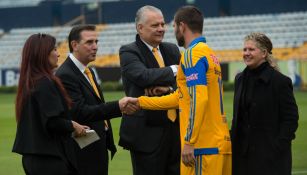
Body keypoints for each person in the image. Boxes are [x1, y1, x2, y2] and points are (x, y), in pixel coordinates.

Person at [136, 5, 232, 175]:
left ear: (182, 26)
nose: (171, 31)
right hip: (220, 145)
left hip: (202, 148)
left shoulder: (191, 55)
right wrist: (140, 102)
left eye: (173, 26)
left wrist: (189, 141)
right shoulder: (210, 54)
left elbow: (198, 99)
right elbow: (182, 97)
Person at [56, 25, 138, 175]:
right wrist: (118, 106)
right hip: (82, 150)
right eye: (89, 42)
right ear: (74, 45)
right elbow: (79, 112)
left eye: (96, 41)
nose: (95, 47)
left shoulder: (88, 71)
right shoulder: (66, 74)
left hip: (95, 145)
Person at [12, 33, 89, 175]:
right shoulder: (45, 82)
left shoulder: (30, 82)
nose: (58, 54)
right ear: (42, 54)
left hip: (33, 157)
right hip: (50, 159)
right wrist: (73, 125)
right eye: (54, 49)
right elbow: (52, 121)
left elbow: (43, 119)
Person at [118, 5, 181, 175]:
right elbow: (143, 76)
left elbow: (185, 83)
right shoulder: (129, 51)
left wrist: (168, 87)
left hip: (176, 132)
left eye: (162, 24)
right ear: (140, 28)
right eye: (155, 25)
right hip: (146, 135)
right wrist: (176, 69)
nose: (161, 29)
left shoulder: (172, 49)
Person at [231, 32, 299, 175]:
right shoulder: (239, 80)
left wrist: (276, 148)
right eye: (245, 49)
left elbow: (290, 120)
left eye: (251, 49)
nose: (246, 53)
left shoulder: (280, 81)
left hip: (270, 162)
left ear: (264, 53)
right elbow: (238, 119)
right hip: (242, 160)